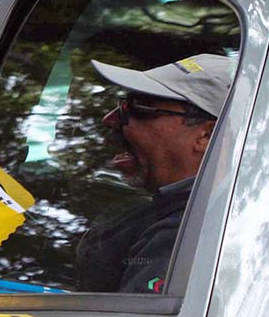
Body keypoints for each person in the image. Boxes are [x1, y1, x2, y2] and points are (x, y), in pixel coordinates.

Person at [76, 53, 232, 293]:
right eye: (123, 103)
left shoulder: (186, 237)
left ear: (207, 136)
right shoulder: (179, 211)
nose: (109, 119)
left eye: (139, 108)